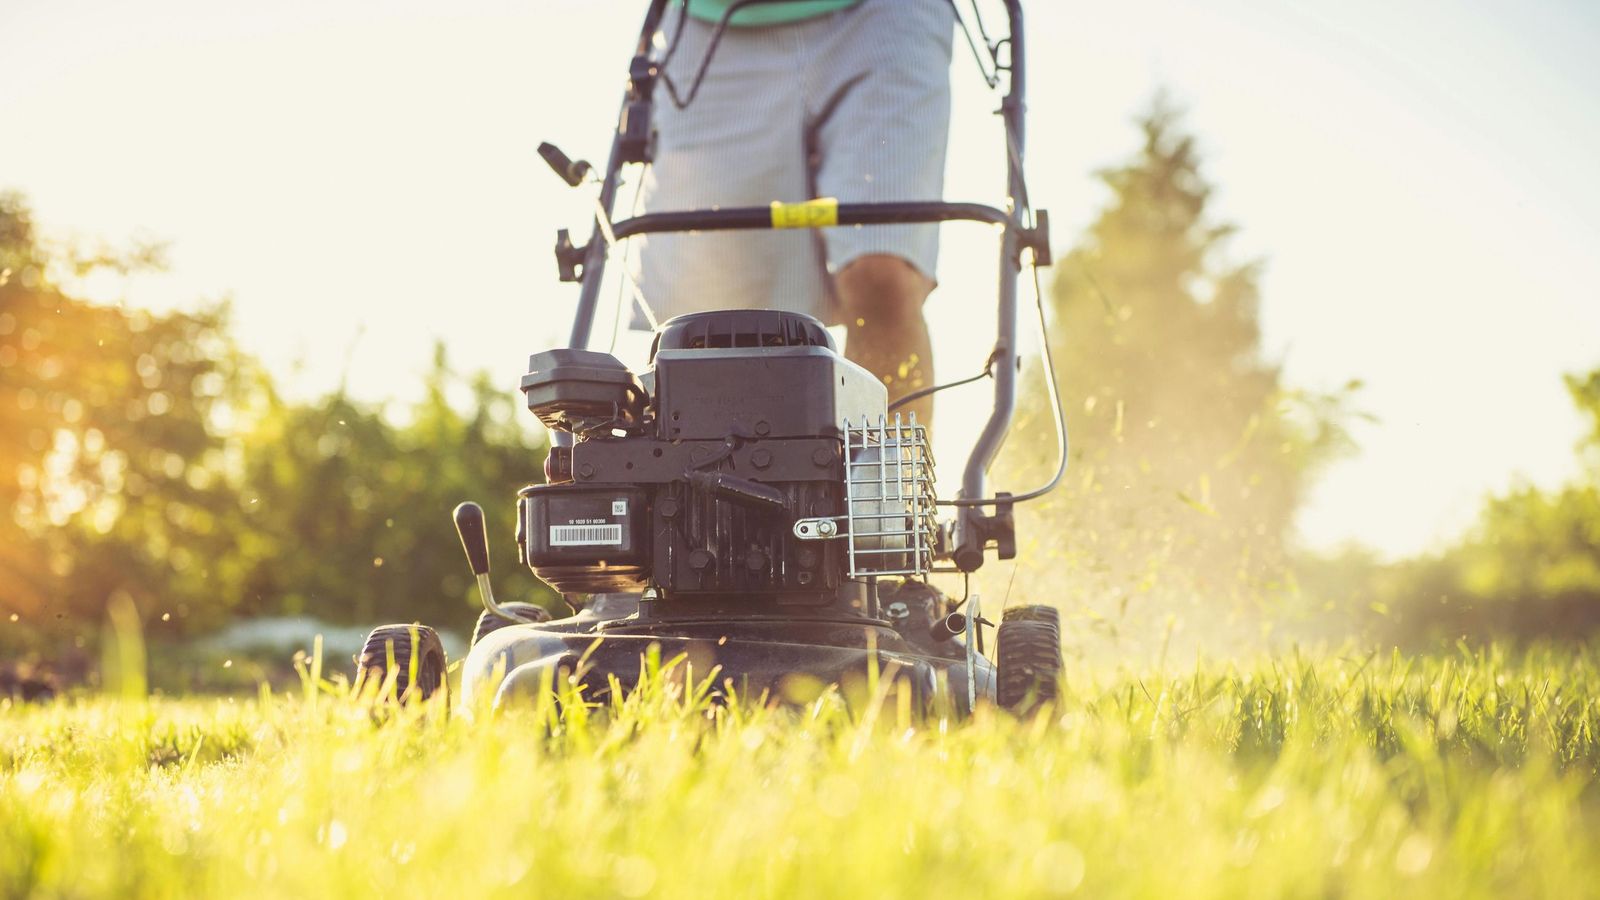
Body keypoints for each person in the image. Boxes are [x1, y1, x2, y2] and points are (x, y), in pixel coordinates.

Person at [638, 0, 955, 430]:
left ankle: (886, 492)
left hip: (884, 16)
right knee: (712, 326)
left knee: (884, 274)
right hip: (713, 27)